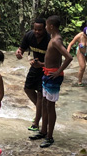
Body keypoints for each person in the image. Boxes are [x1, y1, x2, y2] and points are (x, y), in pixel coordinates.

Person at [29, 15, 73, 148]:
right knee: (44, 104)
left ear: (51, 27)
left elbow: (69, 57)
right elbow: (52, 59)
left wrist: (58, 71)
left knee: (50, 106)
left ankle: (49, 137)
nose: (46, 28)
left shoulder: (56, 41)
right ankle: (43, 132)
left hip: (52, 76)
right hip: (47, 73)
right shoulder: (53, 39)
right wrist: (41, 64)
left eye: (47, 26)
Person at [16, 17, 50, 132]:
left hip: (47, 69)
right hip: (35, 66)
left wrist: (42, 64)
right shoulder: (29, 36)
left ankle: (36, 122)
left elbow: (57, 61)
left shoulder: (50, 39)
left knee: (40, 94)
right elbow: (21, 48)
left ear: (45, 29)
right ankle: (42, 111)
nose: (37, 32)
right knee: (28, 89)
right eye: (35, 29)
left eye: (39, 30)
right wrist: (19, 53)